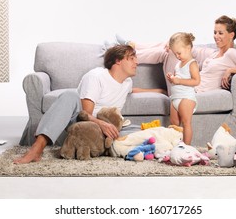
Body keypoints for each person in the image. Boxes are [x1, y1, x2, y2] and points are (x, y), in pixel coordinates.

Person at [14, 44, 165, 164]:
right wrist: (102, 124)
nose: (137, 62)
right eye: (132, 58)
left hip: (105, 132)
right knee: (70, 95)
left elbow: (134, 90)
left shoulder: (127, 82)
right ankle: (37, 148)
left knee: (148, 134)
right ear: (118, 61)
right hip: (80, 127)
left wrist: (161, 91)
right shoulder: (96, 76)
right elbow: (84, 114)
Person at [116, 15, 236, 94]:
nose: (216, 36)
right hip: (183, 84)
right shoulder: (212, 54)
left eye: (220, 33)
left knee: (170, 51)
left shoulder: (232, 53)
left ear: (231, 35)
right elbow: (188, 48)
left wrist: (232, 70)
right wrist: (173, 44)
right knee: (171, 46)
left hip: (191, 90)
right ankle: (130, 48)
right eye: (215, 32)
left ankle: (126, 54)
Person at [166, 32, 200, 145]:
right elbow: (178, 80)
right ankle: (176, 145)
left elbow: (196, 81)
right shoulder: (178, 64)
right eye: (175, 54)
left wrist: (179, 80)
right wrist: (173, 78)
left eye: (179, 53)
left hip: (186, 98)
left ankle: (187, 147)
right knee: (174, 124)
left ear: (188, 48)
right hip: (175, 98)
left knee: (186, 123)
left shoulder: (192, 64)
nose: (177, 56)